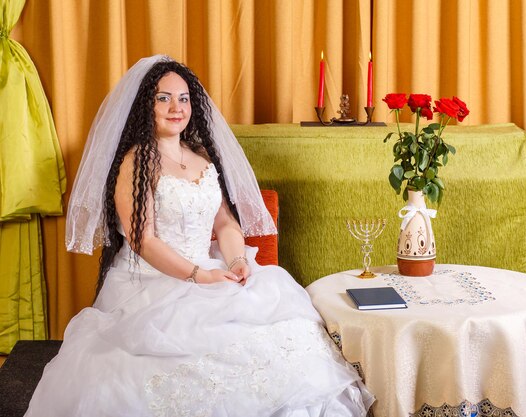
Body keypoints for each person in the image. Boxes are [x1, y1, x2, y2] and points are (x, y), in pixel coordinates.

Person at [25, 55, 374, 417]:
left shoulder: (201, 158)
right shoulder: (136, 161)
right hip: (153, 283)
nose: (176, 107)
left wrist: (237, 260)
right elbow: (142, 240)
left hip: (209, 267)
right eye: (163, 98)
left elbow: (224, 223)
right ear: (145, 105)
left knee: (289, 334)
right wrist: (198, 275)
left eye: (184, 98)